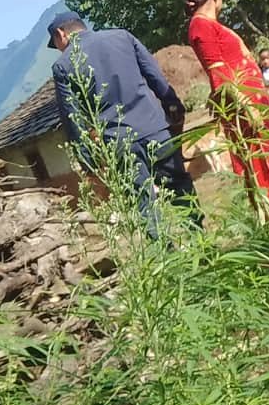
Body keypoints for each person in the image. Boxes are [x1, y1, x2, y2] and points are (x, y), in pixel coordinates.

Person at [46, 12, 196, 238]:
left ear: (61, 34)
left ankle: (168, 261)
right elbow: (154, 75)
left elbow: (72, 118)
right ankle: (203, 248)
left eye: (56, 43)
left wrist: (87, 161)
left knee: (145, 207)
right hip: (155, 129)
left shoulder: (63, 65)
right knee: (181, 190)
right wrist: (172, 105)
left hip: (120, 144)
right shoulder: (122, 36)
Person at [183, 0, 269, 218]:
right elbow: (219, 72)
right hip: (244, 106)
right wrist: (248, 109)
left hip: (253, 101)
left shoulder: (208, 24)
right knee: (260, 160)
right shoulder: (200, 25)